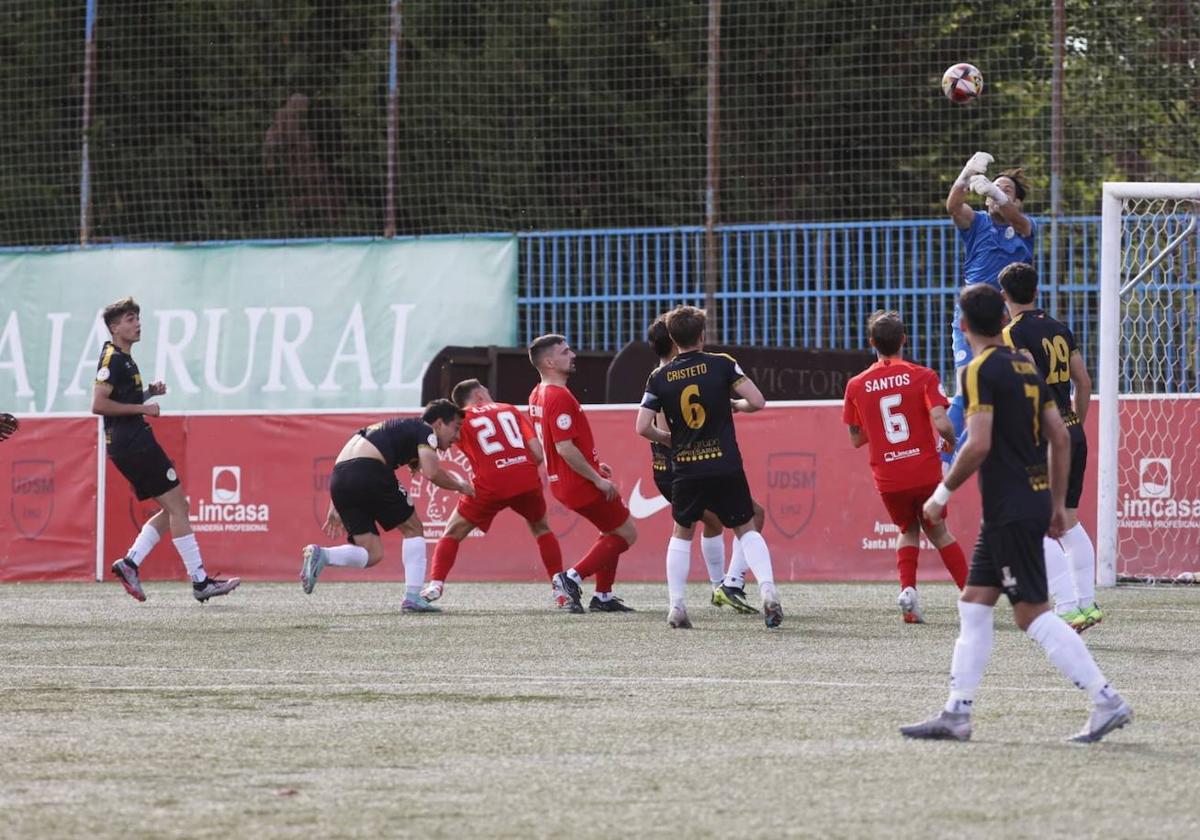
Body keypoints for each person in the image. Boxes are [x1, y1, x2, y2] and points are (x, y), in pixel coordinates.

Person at [901, 285, 1131, 743]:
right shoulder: (1026, 367)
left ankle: (1107, 700)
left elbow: (979, 442)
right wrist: (1057, 502)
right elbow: (1061, 436)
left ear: (963, 327)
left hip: (1007, 508)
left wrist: (941, 494)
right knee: (973, 605)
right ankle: (956, 712)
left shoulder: (978, 369)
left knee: (1032, 615)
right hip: (1025, 502)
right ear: (1000, 317)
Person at [636, 305, 782, 630]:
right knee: (745, 527)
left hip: (686, 468)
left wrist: (672, 441)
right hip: (725, 464)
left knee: (682, 533)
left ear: (673, 338)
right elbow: (757, 401)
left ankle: (676, 607)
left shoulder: (659, 377)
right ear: (702, 335)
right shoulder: (722, 364)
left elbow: (642, 427)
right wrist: (736, 406)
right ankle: (769, 592)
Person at [95, 297, 240, 603]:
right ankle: (200, 582)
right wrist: (143, 408)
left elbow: (119, 399)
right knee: (178, 507)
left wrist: (147, 393)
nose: (137, 324)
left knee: (176, 508)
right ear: (114, 327)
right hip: (133, 443)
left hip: (130, 443)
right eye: (130, 319)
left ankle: (131, 562)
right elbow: (99, 405)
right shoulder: (112, 359)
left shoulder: (123, 358)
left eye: (137, 318)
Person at [842, 311, 969, 623]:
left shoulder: (856, 385)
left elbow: (856, 439)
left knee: (907, 529)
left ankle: (908, 592)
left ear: (871, 342)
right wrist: (952, 441)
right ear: (904, 339)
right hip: (924, 470)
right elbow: (941, 421)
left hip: (888, 475)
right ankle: (971, 596)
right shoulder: (923, 376)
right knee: (938, 530)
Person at [999, 262, 1100, 632]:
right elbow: (1084, 382)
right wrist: (1075, 424)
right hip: (1073, 432)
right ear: (1037, 292)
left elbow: (1030, 384)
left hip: (1044, 437)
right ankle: (1086, 605)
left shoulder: (1012, 334)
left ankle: (1068, 605)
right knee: (1068, 520)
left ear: (1003, 297)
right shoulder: (1059, 327)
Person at [300, 399, 472, 613]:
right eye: (456, 428)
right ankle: (412, 597)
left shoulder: (395, 428)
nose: (457, 437)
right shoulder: (425, 429)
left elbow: (350, 458)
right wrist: (463, 486)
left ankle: (322, 555)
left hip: (339, 478)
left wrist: (335, 501)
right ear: (438, 423)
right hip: (369, 470)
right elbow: (432, 472)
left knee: (371, 553)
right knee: (413, 528)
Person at [419, 379, 566, 608]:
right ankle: (561, 590)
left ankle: (435, 584)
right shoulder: (509, 409)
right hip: (525, 476)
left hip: (489, 484)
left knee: (452, 533)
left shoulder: (459, 420)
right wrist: (516, 466)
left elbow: (443, 441)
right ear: (478, 395)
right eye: (487, 392)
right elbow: (538, 453)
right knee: (541, 529)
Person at [528, 334, 636, 614]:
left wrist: (595, 465)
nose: (572, 354)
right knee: (626, 533)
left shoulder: (537, 392)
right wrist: (596, 479)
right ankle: (570, 578)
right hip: (577, 483)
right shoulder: (558, 395)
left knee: (610, 530)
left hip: (564, 481)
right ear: (550, 361)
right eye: (565, 352)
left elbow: (558, 444)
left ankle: (603, 596)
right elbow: (564, 447)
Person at [943, 153, 1036, 466]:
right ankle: (944, 459)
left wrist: (996, 192)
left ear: (1018, 201)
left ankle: (997, 455)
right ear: (983, 201)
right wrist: (966, 174)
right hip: (970, 319)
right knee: (965, 386)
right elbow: (953, 207)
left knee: (1010, 393)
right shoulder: (977, 223)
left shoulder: (1025, 227)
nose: (1000, 191)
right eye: (995, 188)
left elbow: (1018, 220)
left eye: (1009, 190)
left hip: (1008, 324)